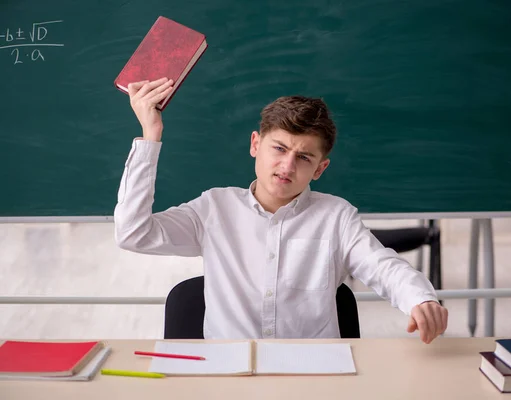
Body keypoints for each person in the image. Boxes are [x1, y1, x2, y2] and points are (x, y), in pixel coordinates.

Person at [114, 77, 448, 342]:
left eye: (304, 157)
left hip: (313, 376)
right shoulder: (214, 208)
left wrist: (420, 298)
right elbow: (133, 234)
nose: (287, 166)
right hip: (228, 376)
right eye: (279, 148)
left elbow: (382, 266)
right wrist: (150, 135)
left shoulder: (336, 217)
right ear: (255, 144)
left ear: (320, 169)